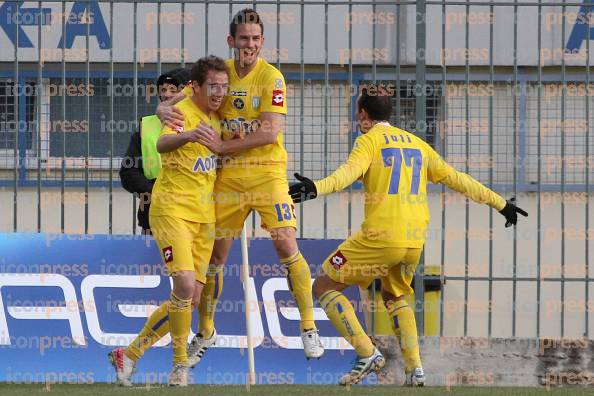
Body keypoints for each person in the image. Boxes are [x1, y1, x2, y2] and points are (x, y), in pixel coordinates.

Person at [288, 88, 528, 386]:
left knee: (324, 284)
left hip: (380, 237)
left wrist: (315, 188)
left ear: (362, 114)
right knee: (395, 295)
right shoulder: (418, 145)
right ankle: (415, 370)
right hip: (414, 240)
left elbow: (346, 175)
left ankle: (366, 352)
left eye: (357, 113)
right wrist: (501, 204)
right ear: (389, 113)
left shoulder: (368, 141)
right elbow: (459, 179)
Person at [157, 8, 324, 366]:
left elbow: (269, 132)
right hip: (228, 178)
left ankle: (308, 327)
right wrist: (161, 110)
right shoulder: (220, 75)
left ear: (262, 42)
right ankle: (206, 332)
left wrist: (220, 146)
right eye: (243, 38)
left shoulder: (272, 78)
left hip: (266, 174)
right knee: (216, 256)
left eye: (255, 39)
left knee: (284, 241)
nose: (250, 45)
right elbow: (179, 101)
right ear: (232, 41)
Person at [108, 56, 229, 387]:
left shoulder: (223, 114)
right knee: (186, 286)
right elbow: (161, 144)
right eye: (213, 86)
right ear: (197, 87)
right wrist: (189, 135)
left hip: (205, 217)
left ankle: (130, 354)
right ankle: (179, 366)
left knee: (189, 298)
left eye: (224, 86)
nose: (220, 92)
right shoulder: (181, 111)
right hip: (172, 209)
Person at [119, 68, 190, 233]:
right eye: (163, 90)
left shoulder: (202, 122)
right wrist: (156, 192)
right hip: (153, 215)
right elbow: (128, 172)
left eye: (173, 89)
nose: (166, 94)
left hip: (192, 212)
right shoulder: (147, 127)